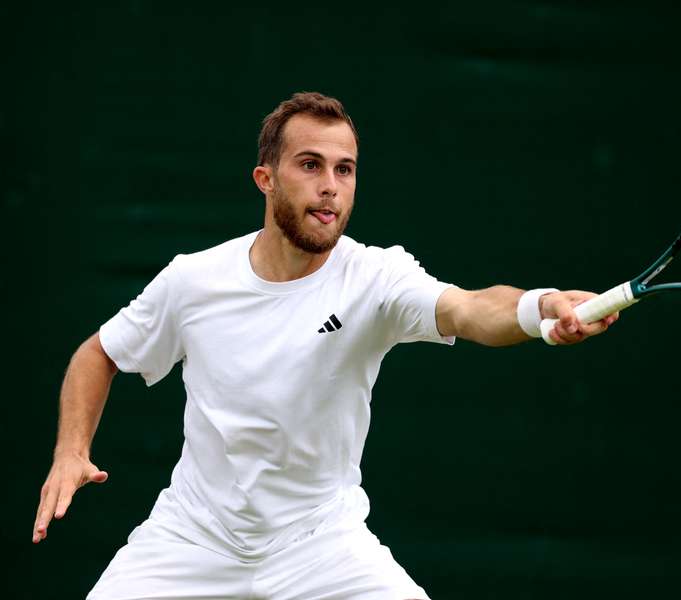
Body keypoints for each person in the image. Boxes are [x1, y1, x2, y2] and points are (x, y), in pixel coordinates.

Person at [32, 92, 618, 600]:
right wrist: (70, 451)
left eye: (345, 170)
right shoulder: (194, 280)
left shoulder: (376, 276)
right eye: (311, 165)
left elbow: (467, 308)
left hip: (321, 544)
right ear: (265, 178)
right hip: (192, 537)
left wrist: (540, 305)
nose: (330, 188)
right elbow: (100, 352)